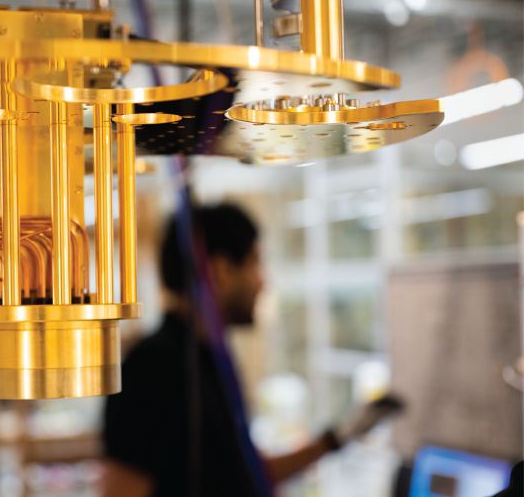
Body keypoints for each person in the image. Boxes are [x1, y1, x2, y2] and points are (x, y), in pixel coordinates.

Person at [102, 203, 402, 497]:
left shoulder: (211, 361)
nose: (263, 281)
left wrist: (341, 436)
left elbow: (245, 473)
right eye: (255, 262)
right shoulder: (151, 368)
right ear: (219, 272)